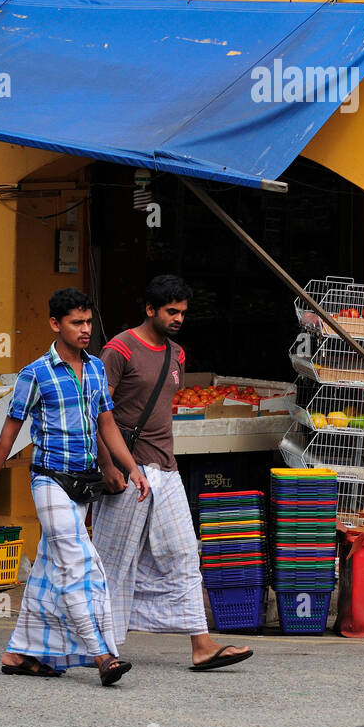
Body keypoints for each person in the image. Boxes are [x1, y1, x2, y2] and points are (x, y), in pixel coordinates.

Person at [0, 287, 149, 685]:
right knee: (79, 563)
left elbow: (105, 426)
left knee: (50, 571)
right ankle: (102, 655)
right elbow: (6, 438)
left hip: (83, 486)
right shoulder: (35, 374)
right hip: (48, 481)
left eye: (89, 322)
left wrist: (129, 467)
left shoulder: (97, 369)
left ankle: (18, 653)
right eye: (76, 323)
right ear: (56, 324)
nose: (86, 330)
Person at [92, 273, 253, 672]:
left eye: (183, 311)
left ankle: (201, 645)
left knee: (183, 552)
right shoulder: (119, 350)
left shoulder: (177, 354)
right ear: (150, 310)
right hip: (128, 470)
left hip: (166, 469)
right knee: (114, 559)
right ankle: (104, 649)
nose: (179, 317)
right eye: (171, 311)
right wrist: (109, 466)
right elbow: (95, 411)